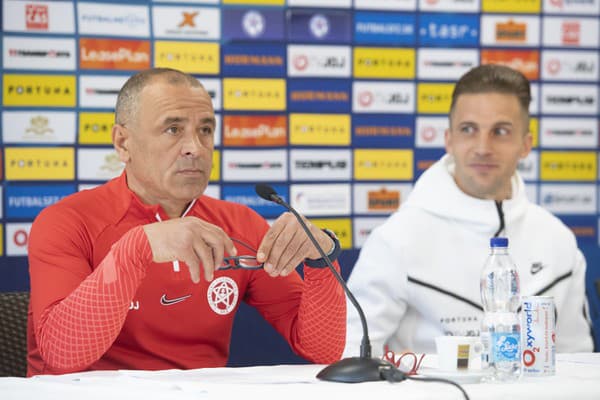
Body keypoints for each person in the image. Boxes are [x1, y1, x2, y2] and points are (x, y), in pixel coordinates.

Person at [27, 68, 346, 376]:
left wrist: (322, 258)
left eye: (205, 130)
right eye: (173, 129)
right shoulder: (68, 221)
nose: (195, 147)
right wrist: (138, 247)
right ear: (123, 143)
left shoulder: (240, 224)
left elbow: (322, 350)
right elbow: (62, 352)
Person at [343, 64, 594, 357]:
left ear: (525, 145)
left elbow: (578, 362)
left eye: (500, 131)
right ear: (449, 140)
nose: (482, 147)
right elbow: (349, 356)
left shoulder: (558, 241)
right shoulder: (397, 239)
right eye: (468, 130)